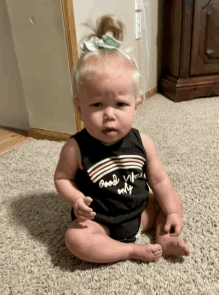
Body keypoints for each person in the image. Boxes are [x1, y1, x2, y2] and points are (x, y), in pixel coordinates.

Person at [54, 14, 190, 263]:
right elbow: (62, 178)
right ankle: (128, 251)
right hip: (99, 221)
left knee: (173, 200)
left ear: (136, 106)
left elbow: (159, 180)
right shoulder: (75, 148)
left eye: (120, 104)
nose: (109, 115)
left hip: (140, 212)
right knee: (76, 239)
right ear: (79, 108)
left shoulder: (144, 144)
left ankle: (164, 237)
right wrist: (75, 199)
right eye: (96, 104)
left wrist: (171, 211)